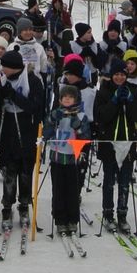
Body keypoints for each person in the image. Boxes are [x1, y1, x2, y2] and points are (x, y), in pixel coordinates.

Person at [0, 49, 44, 229]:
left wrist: (13, 94)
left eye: (5, 66)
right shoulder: (2, 79)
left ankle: (24, 206)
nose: (2, 69)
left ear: (13, 68)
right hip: (7, 129)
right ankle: (6, 208)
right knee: (9, 170)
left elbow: (35, 107)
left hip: (26, 129)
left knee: (25, 171)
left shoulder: (33, 80)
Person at [93, 57, 137, 233]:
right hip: (109, 143)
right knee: (109, 180)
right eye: (116, 74)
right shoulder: (104, 92)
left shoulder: (133, 91)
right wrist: (114, 102)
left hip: (128, 142)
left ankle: (122, 214)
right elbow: (101, 117)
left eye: (122, 74)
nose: (119, 78)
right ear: (111, 75)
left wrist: (129, 101)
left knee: (124, 181)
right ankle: (108, 213)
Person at [42, 84, 92, 238]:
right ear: (60, 100)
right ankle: (60, 220)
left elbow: (85, 137)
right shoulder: (56, 114)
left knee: (72, 191)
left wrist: (77, 125)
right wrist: (51, 120)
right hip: (57, 157)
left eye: (70, 97)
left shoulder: (81, 116)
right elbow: (46, 133)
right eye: (64, 97)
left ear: (76, 99)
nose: (67, 100)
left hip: (73, 159)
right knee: (58, 191)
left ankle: (72, 220)